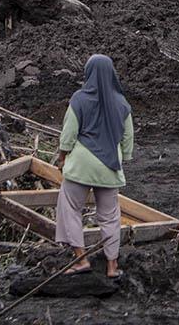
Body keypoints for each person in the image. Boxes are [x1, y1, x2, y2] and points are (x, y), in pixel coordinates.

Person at [54, 54, 134, 280]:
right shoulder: (122, 103)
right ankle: (112, 266)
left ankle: (81, 260)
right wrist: (123, 157)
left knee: (70, 208)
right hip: (109, 167)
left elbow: (68, 134)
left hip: (81, 165)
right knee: (110, 216)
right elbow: (128, 138)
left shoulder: (79, 99)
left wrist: (62, 157)